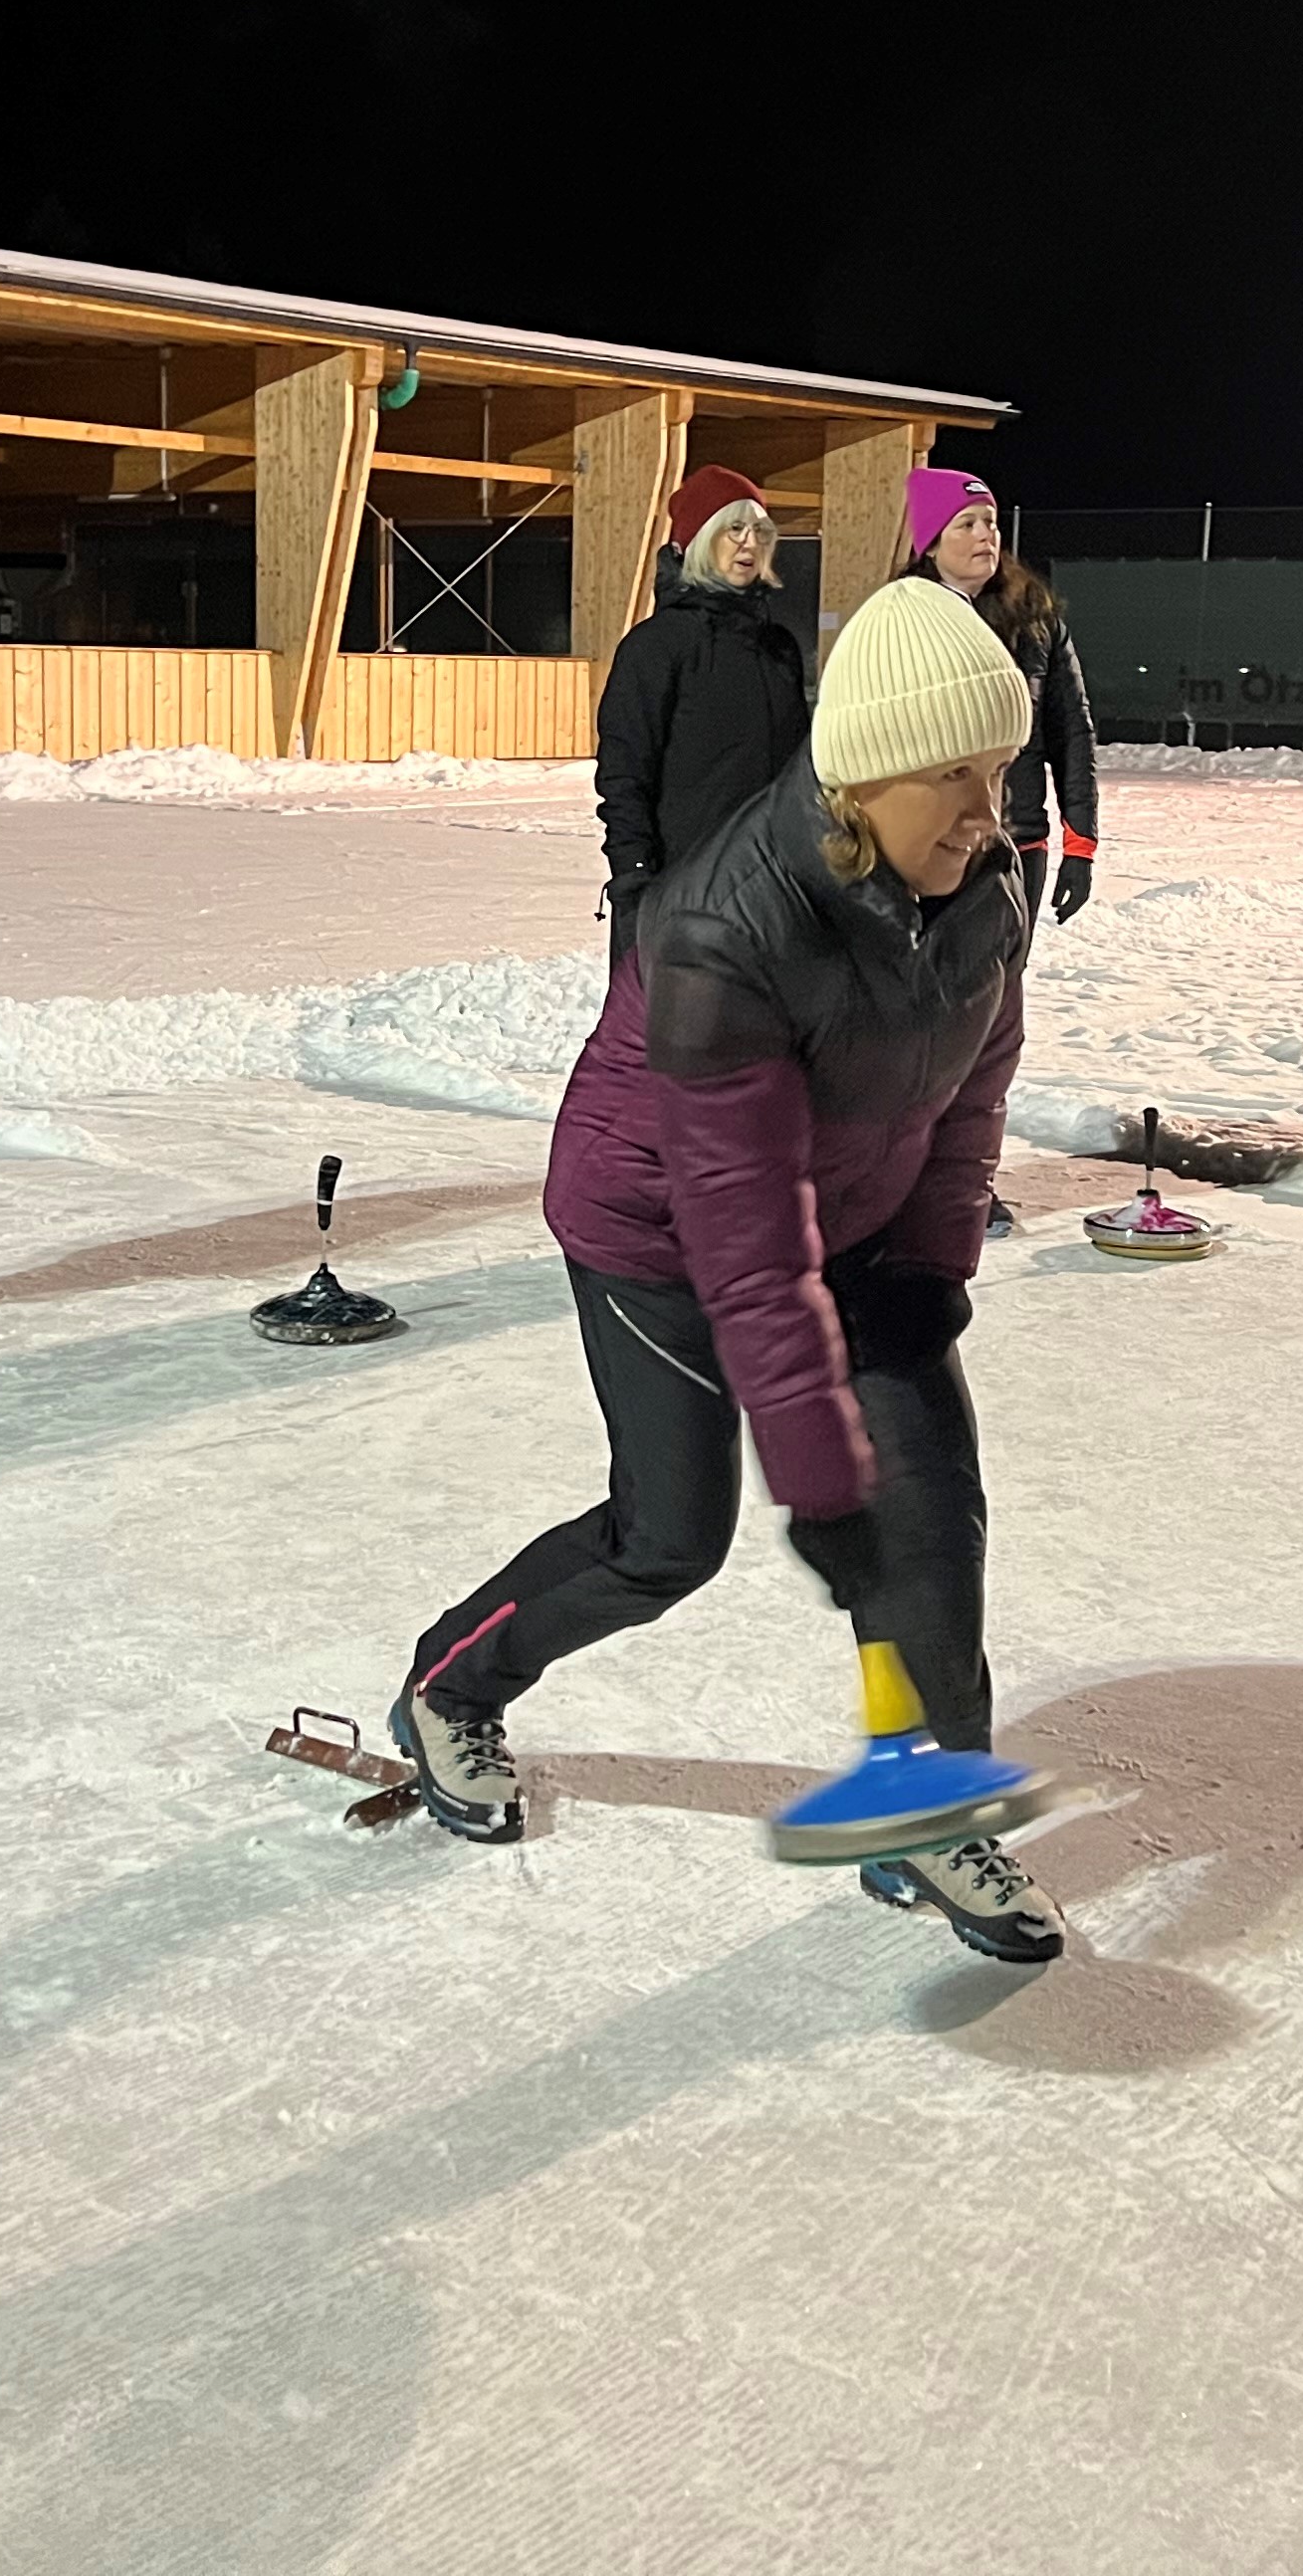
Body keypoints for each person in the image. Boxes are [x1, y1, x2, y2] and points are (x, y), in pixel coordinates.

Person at [393, 576, 1070, 1963]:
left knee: (929, 1524)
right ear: (864, 772)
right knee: (670, 1539)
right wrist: (817, 1480)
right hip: (657, 1233)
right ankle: (451, 1687)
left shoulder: (983, 888)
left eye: (998, 770)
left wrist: (927, 1274)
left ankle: (928, 1809)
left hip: (861, 1228)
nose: (986, 809)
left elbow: (971, 1096)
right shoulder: (723, 928)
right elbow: (744, 1240)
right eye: (953, 774)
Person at [590, 465, 807, 965]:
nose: (749, 543)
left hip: (770, 889)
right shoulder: (656, 646)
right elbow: (624, 773)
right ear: (699, 539)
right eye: (734, 528)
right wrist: (634, 873)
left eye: (760, 531)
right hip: (679, 889)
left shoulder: (778, 648)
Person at [894, 468, 1097, 934]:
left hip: (1018, 843)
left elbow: (1072, 732)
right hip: (930, 847)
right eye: (966, 524)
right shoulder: (901, 621)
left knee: (1006, 978)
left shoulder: (1035, 620)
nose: (985, 534)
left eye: (990, 522)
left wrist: (1080, 845)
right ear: (931, 544)